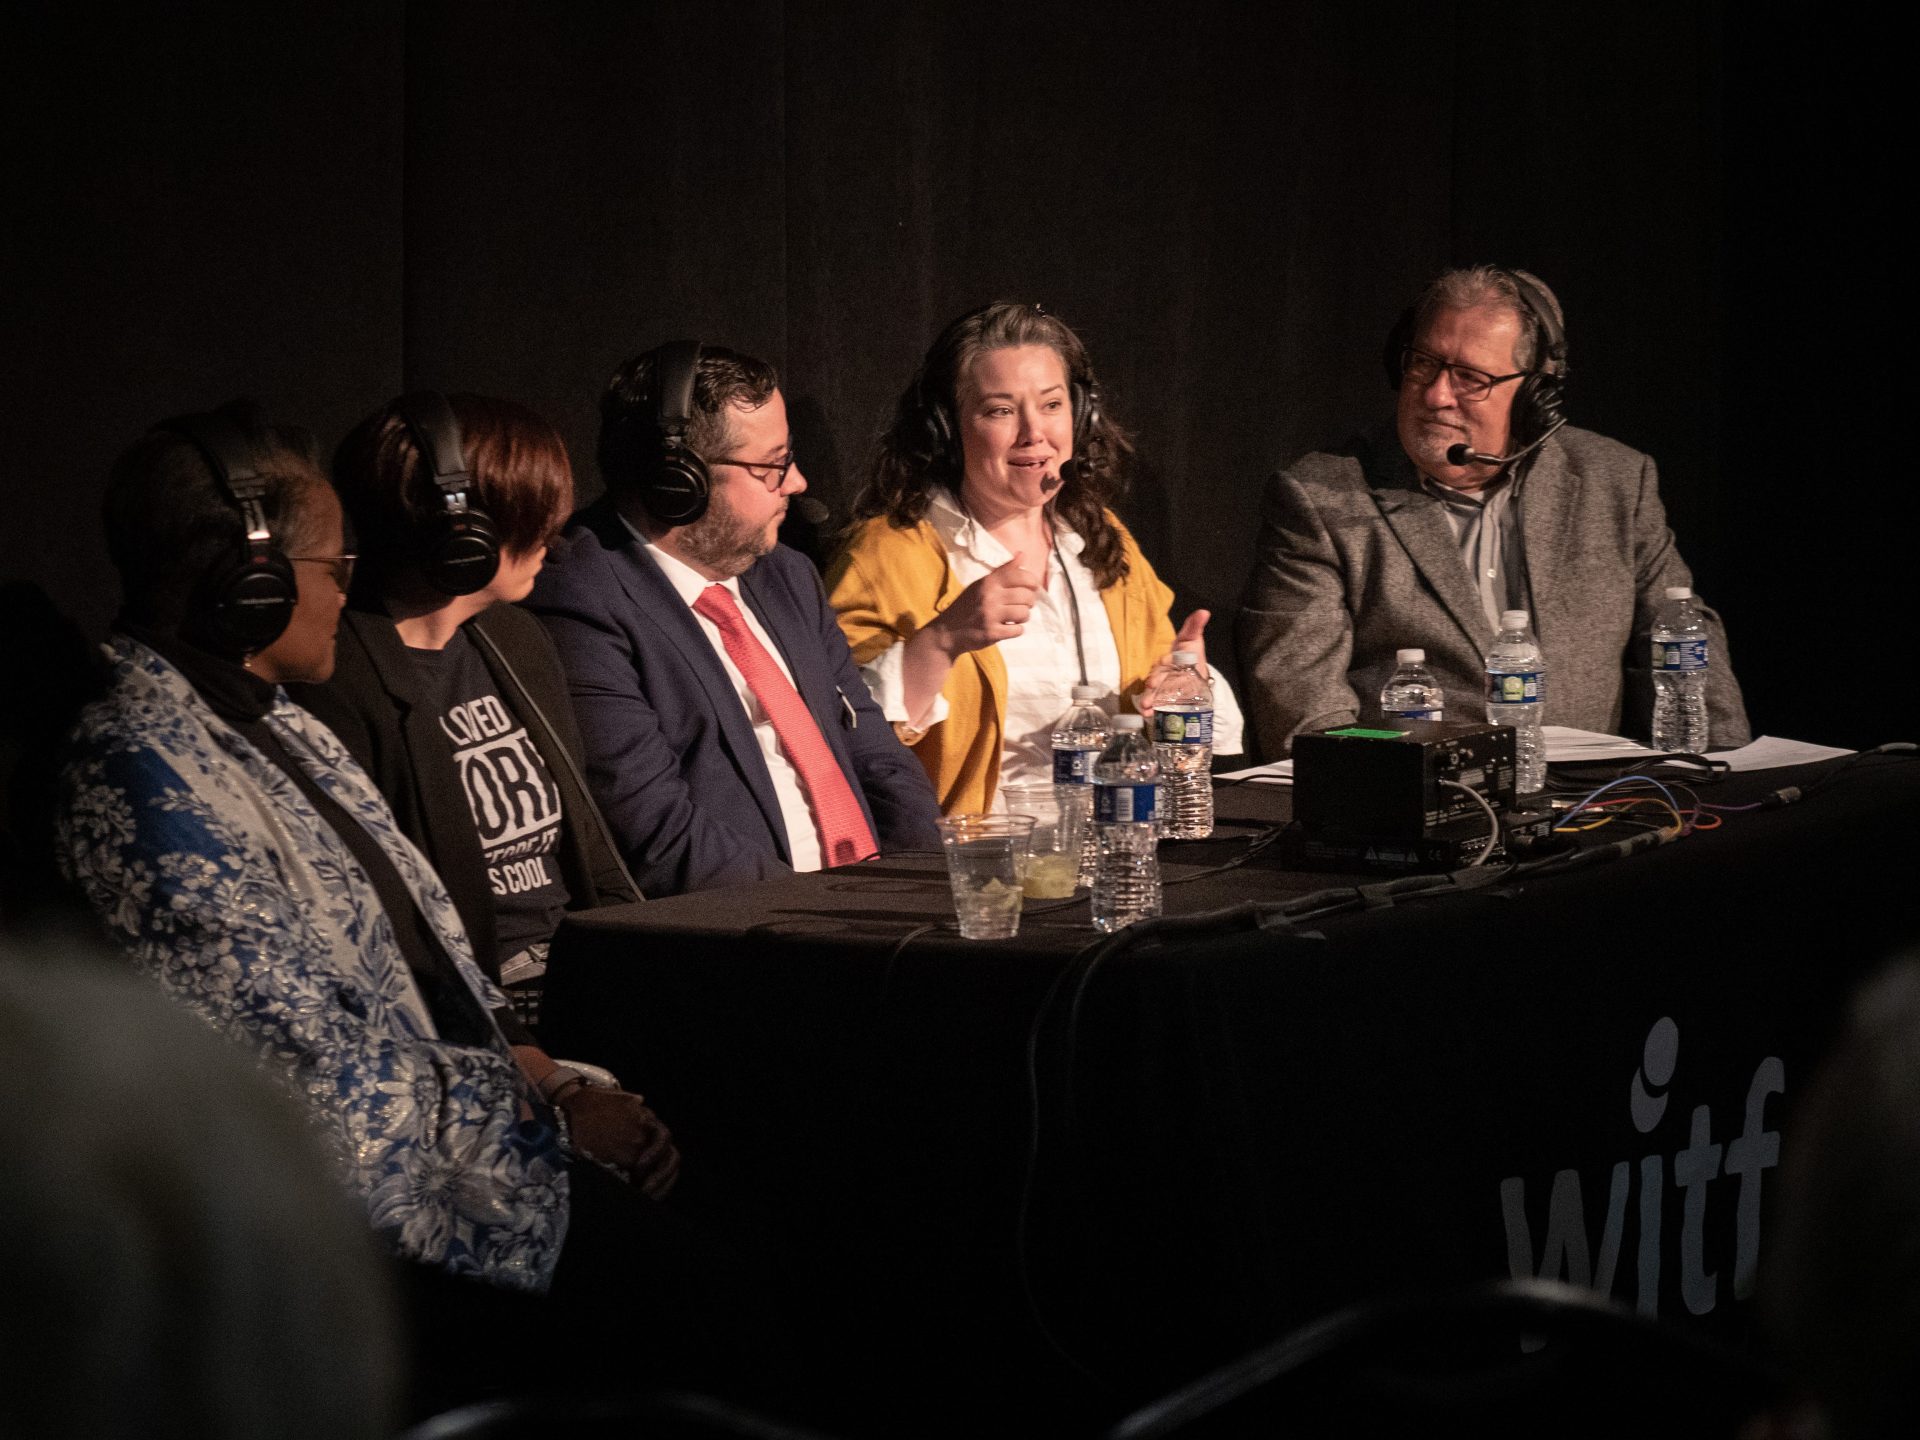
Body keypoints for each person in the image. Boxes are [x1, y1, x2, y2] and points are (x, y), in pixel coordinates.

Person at [54, 404, 571, 1292]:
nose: (345, 590)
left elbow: (425, 952)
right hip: (349, 1240)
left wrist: (554, 1081)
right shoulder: (137, 770)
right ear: (249, 581)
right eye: (333, 567)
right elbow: (290, 1075)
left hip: (475, 1124)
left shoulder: (281, 724)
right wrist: (548, 1125)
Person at [1235, 265, 1750, 757]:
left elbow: (1685, 654)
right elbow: (1306, 719)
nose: (1437, 395)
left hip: (1595, 807)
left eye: (1469, 377)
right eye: (1423, 364)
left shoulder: (1615, 481)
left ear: (1533, 395)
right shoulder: (1321, 498)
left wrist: (1732, 783)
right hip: (1422, 816)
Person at [525, 342, 942, 896]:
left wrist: (924, 884)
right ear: (678, 481)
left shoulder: (787, 575)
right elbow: (658, 836)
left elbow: (875, 754)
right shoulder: (581, 600)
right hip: (747, 939)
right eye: (773, 466)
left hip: (866, 921)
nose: (797, 483)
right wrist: (826, 920)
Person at [289, 392, 643, 1012]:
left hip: (583, 977)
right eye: (534, 518)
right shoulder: (338, 681)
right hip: (478, 1007)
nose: (555, 543)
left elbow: (592, 852)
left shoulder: (515, 639)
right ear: (463, 536)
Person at [827, 301, 1243, 814]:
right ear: (948, 428)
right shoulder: (885, 555)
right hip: (970, 864)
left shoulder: (1099, 539)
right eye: (1001, 410)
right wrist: (939, 643)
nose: (1034, 433)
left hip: (1115, 848)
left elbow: (1177, 726)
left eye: (1051, 405)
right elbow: (841, 733)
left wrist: (1183, 685)